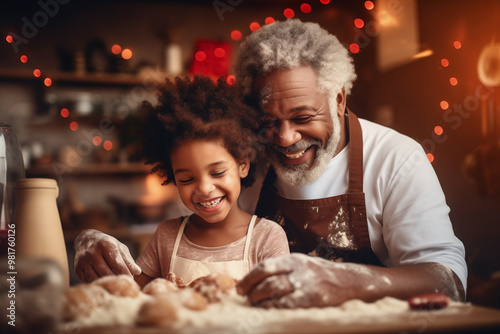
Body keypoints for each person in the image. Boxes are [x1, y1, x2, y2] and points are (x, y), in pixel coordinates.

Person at [74, 19, 467, 308]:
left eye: (302, 117)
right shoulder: (248, 154)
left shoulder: (397, 158)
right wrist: (96, 246)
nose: (285, 138)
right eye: (269, 122)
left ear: (339, 100)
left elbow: (447, 281)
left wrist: (349, 281)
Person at [73, 75, 289, 287]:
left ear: (243, 164)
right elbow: (131, 295)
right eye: (187, 179)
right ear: (172, 176)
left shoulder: (267, 237)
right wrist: (88, 240)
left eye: (217, 173)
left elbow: (279, 307)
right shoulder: (167, 236)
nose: (204, 188)